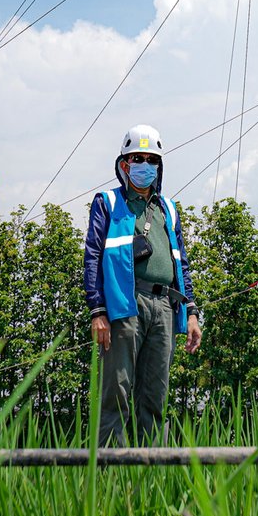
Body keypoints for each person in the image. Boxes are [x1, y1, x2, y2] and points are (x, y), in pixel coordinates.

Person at [83, 124, 201, 445]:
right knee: (116, 392)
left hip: (164, 306)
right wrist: (98, 310)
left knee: (155, 394)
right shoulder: (107, 202)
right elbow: (92, 257)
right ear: (124, 164)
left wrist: (191, 312)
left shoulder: (168, 209)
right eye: (138, 158)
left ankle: (152, 473)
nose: (144, 166)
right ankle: (111, 475)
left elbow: (182, 263)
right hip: (125, 304)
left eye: (151, 160)